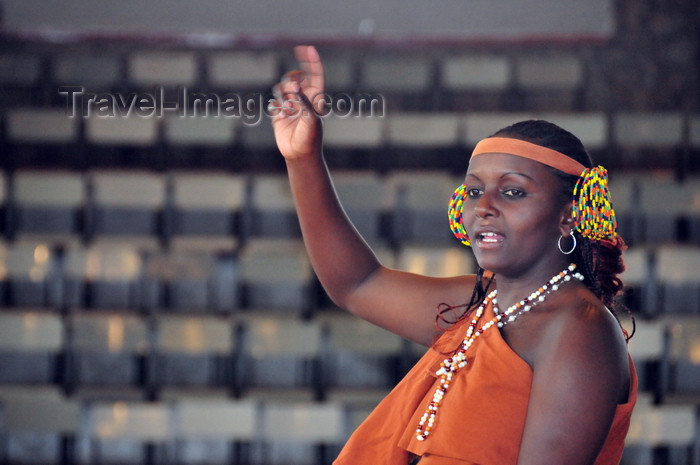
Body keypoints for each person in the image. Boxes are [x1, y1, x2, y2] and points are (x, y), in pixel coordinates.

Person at [270, 45, 637, 465]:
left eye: (513, 191)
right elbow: (357, 284)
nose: (484, 207)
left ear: (569, 216)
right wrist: (303, 159)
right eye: (475, 191)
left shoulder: (580, 331)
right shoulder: (481, 304)